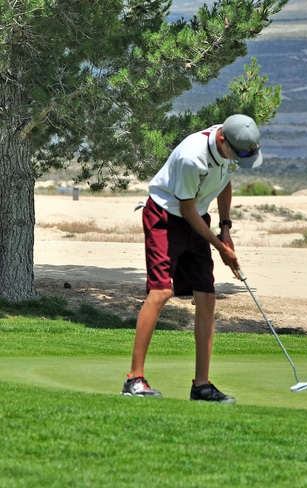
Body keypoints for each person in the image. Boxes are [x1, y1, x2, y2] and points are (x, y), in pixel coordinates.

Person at [120, 114, 263, 402]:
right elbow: (186, 210)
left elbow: (224, 182)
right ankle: (134, 380)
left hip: (198, 217)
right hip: (164, 216)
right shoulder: (191, 157)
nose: (236, 159)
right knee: (160, 292)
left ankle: (202, 386)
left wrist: (225, 228)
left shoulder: (234, 146)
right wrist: (220, 248)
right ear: (222, 139)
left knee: (207, 297)